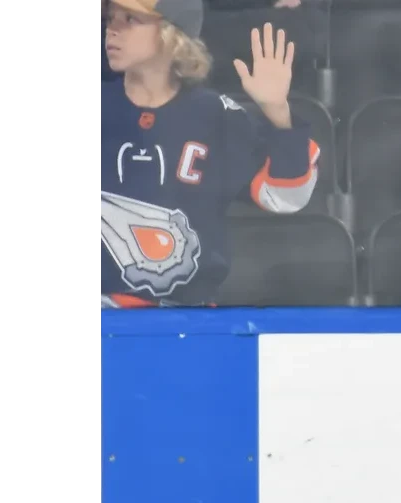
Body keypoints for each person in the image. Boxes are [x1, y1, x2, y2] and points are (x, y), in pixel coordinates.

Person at [97, 0, 319, 307]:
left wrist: (278, 113)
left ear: (171, 33)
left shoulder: (216, 114)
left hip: (191, 318)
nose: (112, 30)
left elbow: (286, 197)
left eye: (130, 19)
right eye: (110, 18)